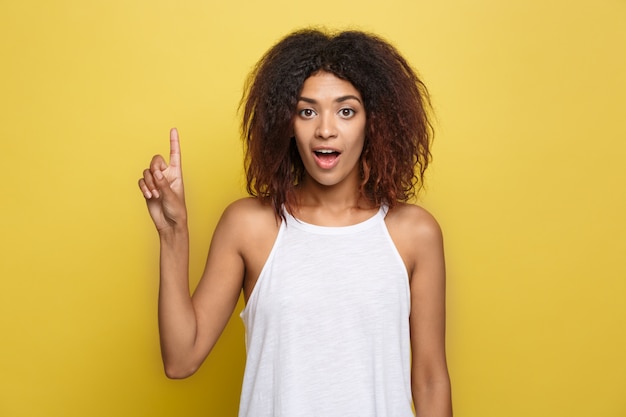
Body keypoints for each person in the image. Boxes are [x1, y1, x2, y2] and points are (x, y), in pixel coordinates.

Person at [138, 28, 452, 417]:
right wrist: (173, 233)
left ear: (374, 122)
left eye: (346, 110)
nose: (325, 128)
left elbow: (430, 378)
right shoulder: (249, 226)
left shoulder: (414, 233)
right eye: (307, 111)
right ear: (287, 124)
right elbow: (181, 359)